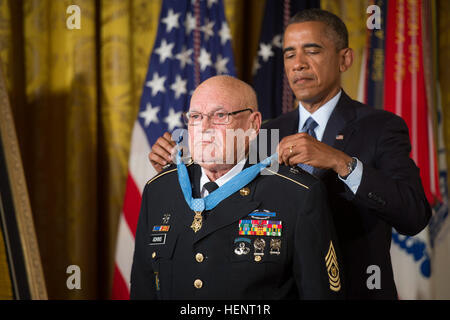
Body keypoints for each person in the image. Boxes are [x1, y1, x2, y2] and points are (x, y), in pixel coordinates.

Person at [147, 9, 432, 299]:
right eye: (289, 54)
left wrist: (340, 162)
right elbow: (224, 198)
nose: (298, 65)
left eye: (312, 51)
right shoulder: (266, 132)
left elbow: (414, 215)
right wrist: (181, 170)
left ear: (345, 59)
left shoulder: (381, 127)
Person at [130, 75, 343, 299]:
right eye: (195, 117)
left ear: (253, 124)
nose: (204, 128)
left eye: (220, 116)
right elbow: (143, 289)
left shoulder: (297, 194)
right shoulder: (159, 189)